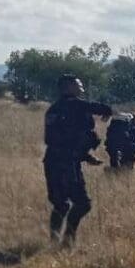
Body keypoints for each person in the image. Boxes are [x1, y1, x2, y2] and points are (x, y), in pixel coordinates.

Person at [43, 75, 113, 245]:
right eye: (78, 85)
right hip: (66, 163)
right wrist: (109, 111)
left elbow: (65, 139)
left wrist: (86, 156)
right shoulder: (74, 105)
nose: (82, 88)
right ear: (68, 88)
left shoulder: (54, 109)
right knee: (82, 204)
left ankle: (54, 240)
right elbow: (97, 108)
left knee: (61, 204)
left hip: (52, 161)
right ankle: (68, 239)